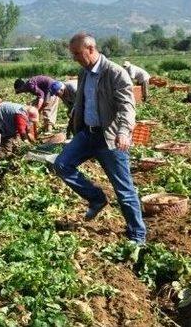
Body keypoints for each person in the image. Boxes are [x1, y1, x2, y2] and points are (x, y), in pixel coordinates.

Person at [53, 32, 146, 245]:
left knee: (123, 189)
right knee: (61, 164)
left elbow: (127, 106)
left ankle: (137, 236)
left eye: (77, 53)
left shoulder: (115, 73)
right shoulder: (84, 72)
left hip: (110, 138)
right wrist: (76, 113)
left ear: (91, 49)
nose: (74, 57)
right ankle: (96, 198)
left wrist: (124, 131)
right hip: (88, 134)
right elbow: (84, 99)